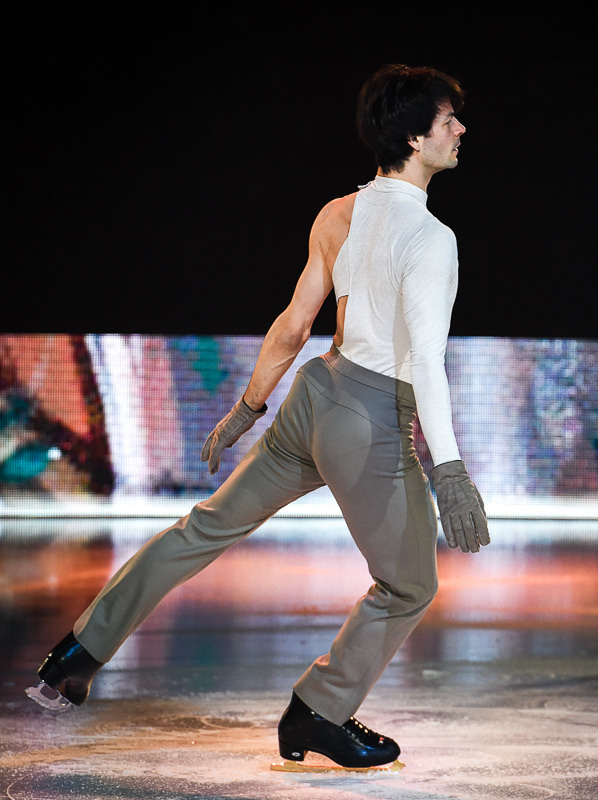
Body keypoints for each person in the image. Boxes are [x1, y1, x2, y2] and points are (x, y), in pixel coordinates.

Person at [27, 63, 490, 769]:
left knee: (204, 528)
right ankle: (318, 713)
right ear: (416, 136)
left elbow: (292, 323)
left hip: (315, 395)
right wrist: (449, 470)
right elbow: (424, 363)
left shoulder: (339, 212)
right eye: (449, 119)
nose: (461, 129)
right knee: (411, 583)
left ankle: (77, 651)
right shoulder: (432, 240)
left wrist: (250, 408)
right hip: (365, 415)